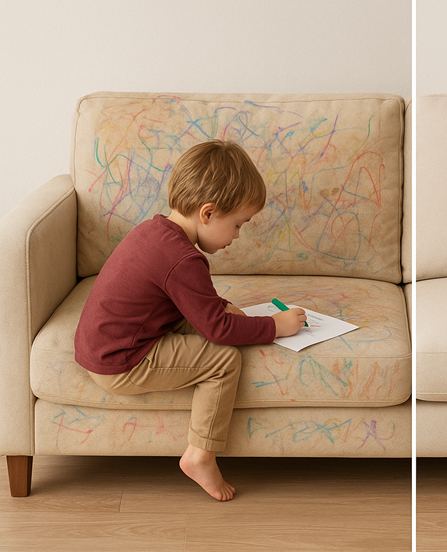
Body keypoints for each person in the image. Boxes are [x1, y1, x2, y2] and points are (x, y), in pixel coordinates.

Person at [74, 140, 306, 501]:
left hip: (105, 342)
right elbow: (219, 331)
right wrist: (277, 326)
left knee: (216, 316)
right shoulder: (184, 259)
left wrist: (220, 306)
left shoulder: (156, 231)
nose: (237, 236)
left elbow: (185, 300)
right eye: (238, 225)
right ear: (208, 213)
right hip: (119, 361)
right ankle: (200, 455)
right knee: (223, 358)